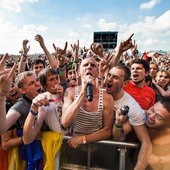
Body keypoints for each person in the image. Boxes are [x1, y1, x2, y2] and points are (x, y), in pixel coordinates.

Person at [61, 56, 114, 148]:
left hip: (97, 146)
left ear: (98, 73)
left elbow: (107, 130)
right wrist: (82, 93)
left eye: (93, 65)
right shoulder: (70, 92)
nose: (89, 67)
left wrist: (83, 139)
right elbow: (65, 122)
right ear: (79, 72)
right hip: (73, 146)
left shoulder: (107, 97)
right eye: (85, 65)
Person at [106, 64, 151, 170]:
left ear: (125, 83)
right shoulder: (99, 91)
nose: (109, 79)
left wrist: (139, 167)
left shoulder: (132, 108)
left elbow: (146, 143)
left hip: (117, 152)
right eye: (109, 75)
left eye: (115, 77)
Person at [23, 67, 64, 170]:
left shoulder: (67, 92)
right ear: (44, 85)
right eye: (51, 80)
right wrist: (34, 108)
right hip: (57, 147)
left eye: (56, 78)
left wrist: (65, 95)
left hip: (74, 141)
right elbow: (28, 139)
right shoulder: (43, 99)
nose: (55, 81)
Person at [146, 98, 170, 170]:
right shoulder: (138, 117)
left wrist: (159, 159)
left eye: (158, 117)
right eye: (152, 110)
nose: (151, 117)